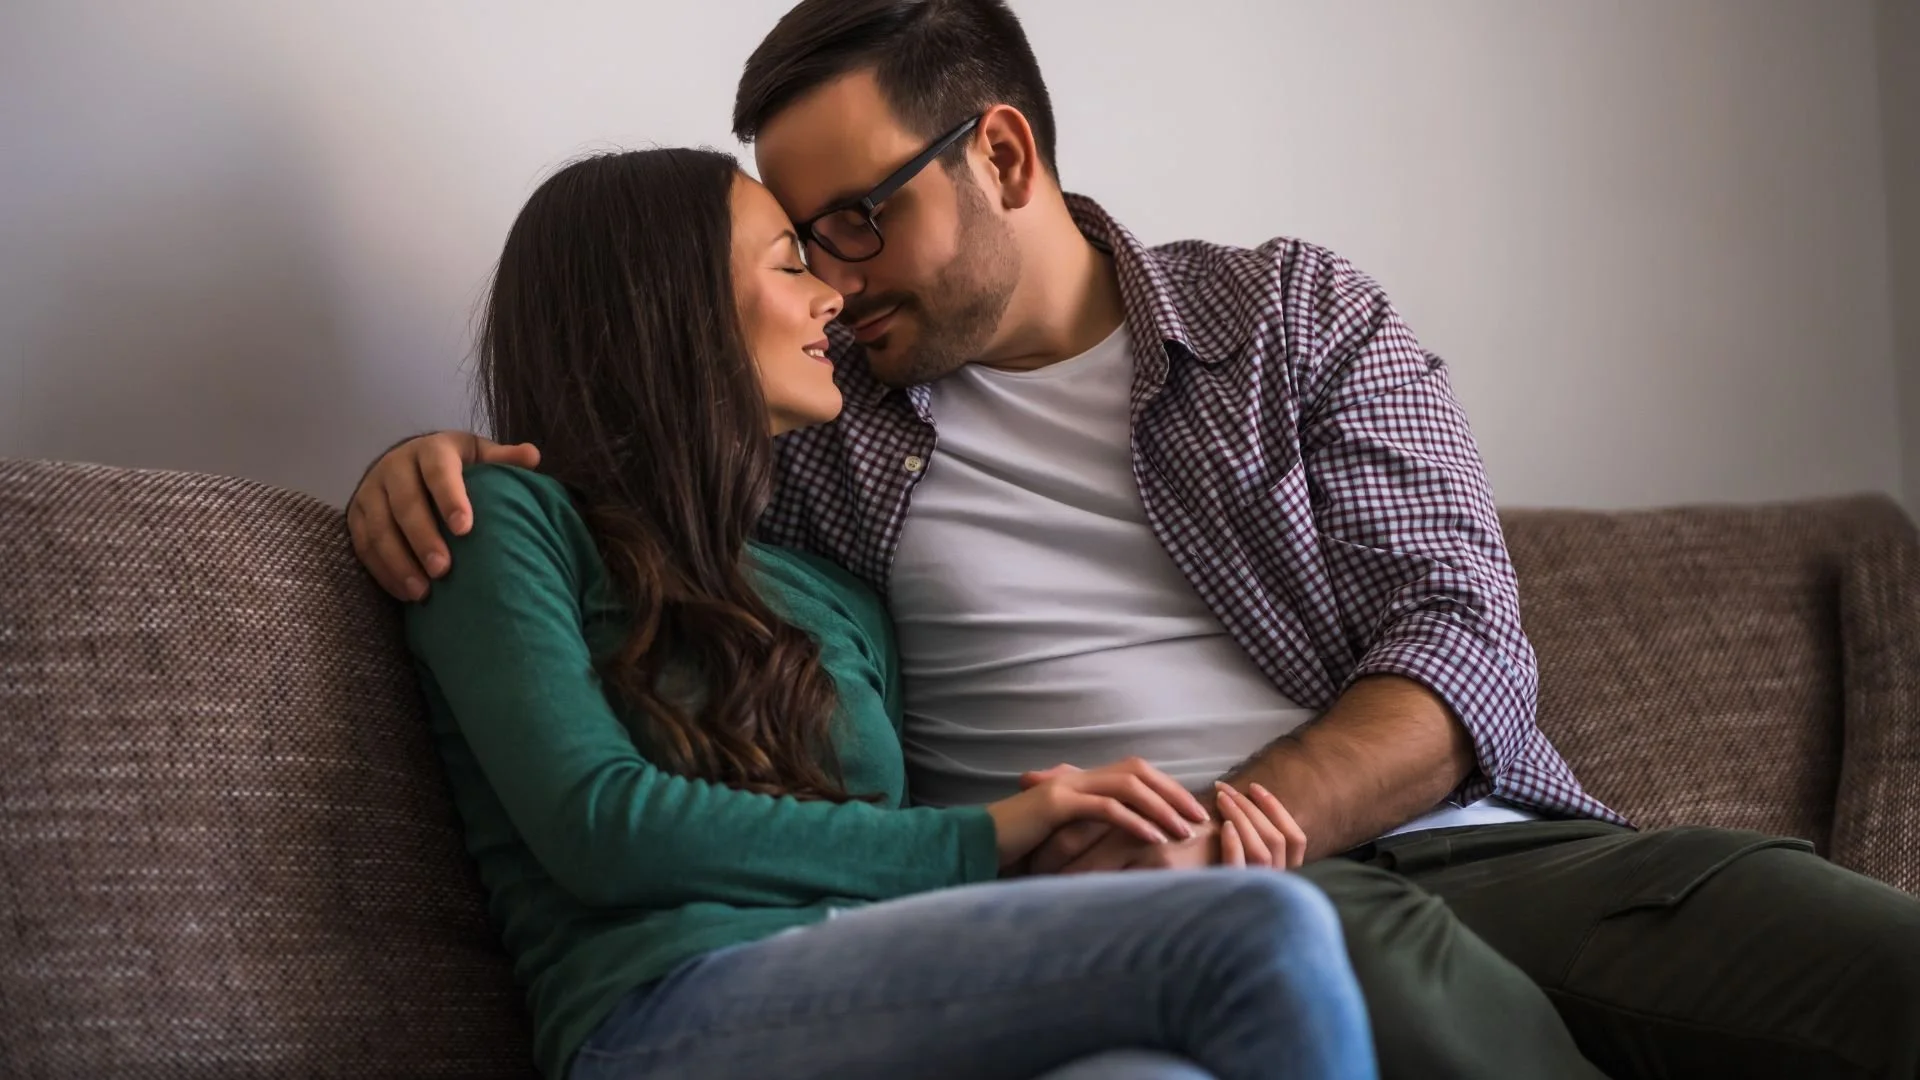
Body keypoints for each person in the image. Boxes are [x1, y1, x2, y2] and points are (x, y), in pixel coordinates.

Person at [359, 1, 1920, 1076]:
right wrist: (425, 462)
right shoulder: (827, 439)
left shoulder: (1287, 319)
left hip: (1482, 846)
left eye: (857, 221)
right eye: (800, 238)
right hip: (1151, 903)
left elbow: (1459, 641)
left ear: (1003, 158)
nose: (831, 279)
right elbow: (638, 468)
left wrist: (1248, 819)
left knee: (1846, 959)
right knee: (1324, 958)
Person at [405, 144, 1377, 1080]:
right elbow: (601, 825)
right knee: (1265, 930)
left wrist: (1146, 859)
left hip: (886, 981)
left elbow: (886, 854)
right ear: (667, 306)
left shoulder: (836, 595)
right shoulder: (500, 519)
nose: (833, 294)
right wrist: (995, 834)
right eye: (792, 262)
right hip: (663, 1014)